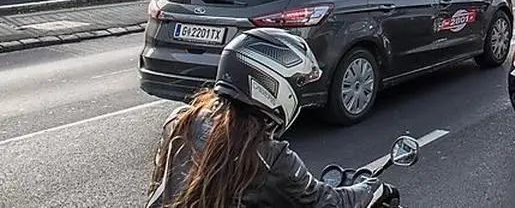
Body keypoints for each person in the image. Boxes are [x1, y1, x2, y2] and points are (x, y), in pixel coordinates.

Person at [147, 28, 400, 208]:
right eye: (297, 84)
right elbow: (325, 202)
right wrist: (374, 188)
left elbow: (159, 186)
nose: (298, 92)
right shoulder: (270, 157)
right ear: (271, 84)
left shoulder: (181, 120)